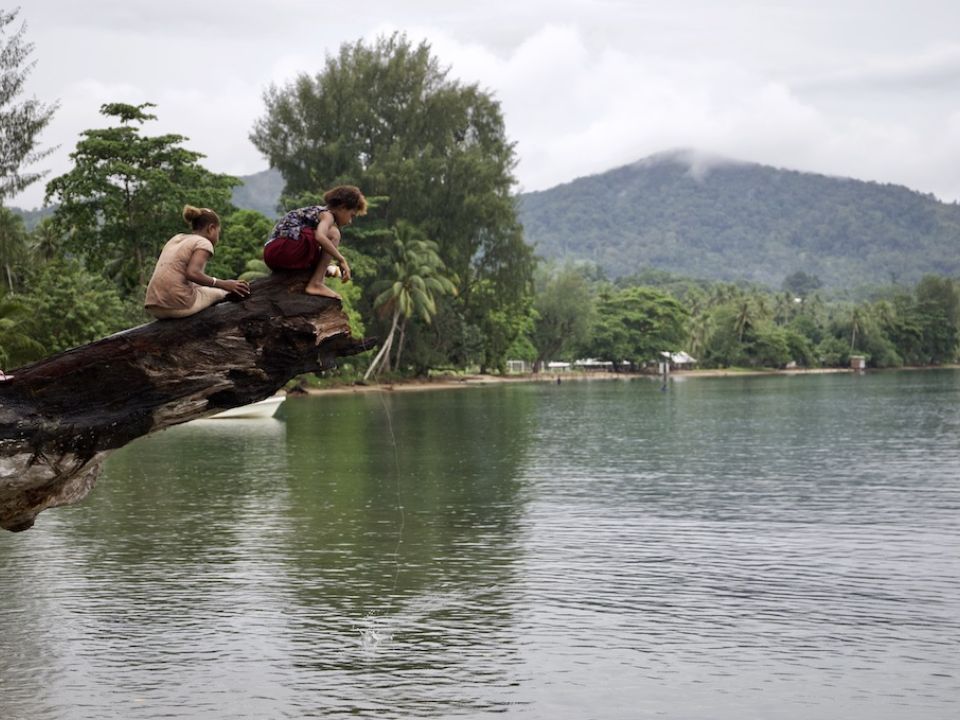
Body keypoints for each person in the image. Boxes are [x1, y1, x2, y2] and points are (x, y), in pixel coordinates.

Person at [144, 206, 251, 319]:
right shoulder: (204, 243)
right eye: (218, 232)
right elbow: (192, 273)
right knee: (221, 293)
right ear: (211, 228)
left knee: (204, 290)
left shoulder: (176, 239)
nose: (218, 237)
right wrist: (224, 284)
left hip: (153, 305)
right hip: (175, 304)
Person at [262, 185, 367, 299]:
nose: (350, 221)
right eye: (351, 215)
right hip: (283, 248)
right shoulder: (327, 215)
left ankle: (325, 273)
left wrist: (332, 268)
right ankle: (316, 283)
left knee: (321, 257)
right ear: (342, 207)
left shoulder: (317, 213)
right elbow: (320, 236)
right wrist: (341, 260)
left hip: (272, 255)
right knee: (334, 234)